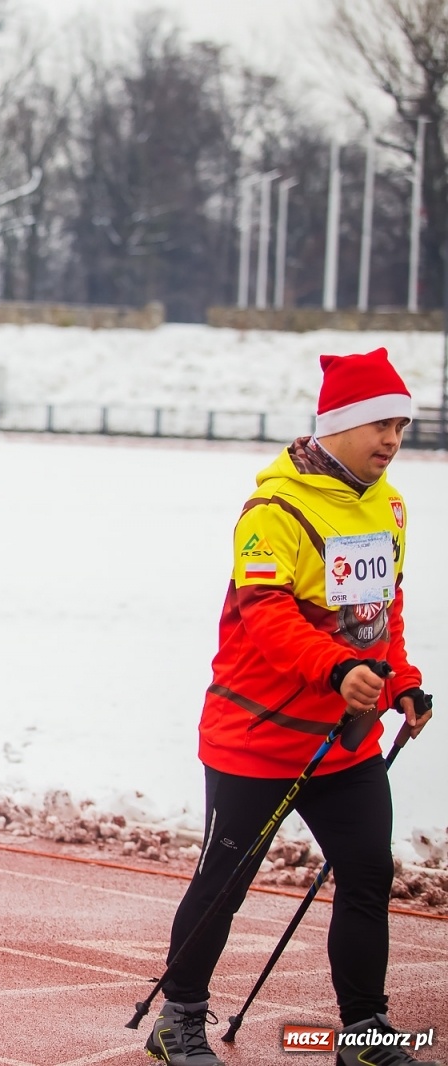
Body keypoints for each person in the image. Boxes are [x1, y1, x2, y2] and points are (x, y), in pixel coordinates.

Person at [143, 348, 436, 1066]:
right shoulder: (272, 511)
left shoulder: (389, 505)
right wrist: (338, 669)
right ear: (336, 425)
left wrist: (400, 682)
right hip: (257, 737)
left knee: (368, 873)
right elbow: (268, 616)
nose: (392, 441)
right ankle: (177, 1021)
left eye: (400, 426)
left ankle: (363, 1031)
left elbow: (379, 615)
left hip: (345, 742)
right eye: (378, 425)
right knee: (225, 883)